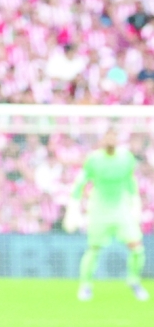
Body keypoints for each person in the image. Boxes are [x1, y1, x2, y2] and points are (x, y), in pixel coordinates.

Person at [63, 129, 148, 301]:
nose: (110, 139)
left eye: (113, 136)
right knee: (93, 249)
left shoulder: (126, 158)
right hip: (99, 209)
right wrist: (73, 208)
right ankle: (85, 285)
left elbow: (130, 181)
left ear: (117, 139)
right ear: (102, 140)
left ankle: (134, 281)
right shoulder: (94, 159)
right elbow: (81, 181)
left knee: (137, 248)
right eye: (107, 136)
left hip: (121, 208)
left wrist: (135, 203)